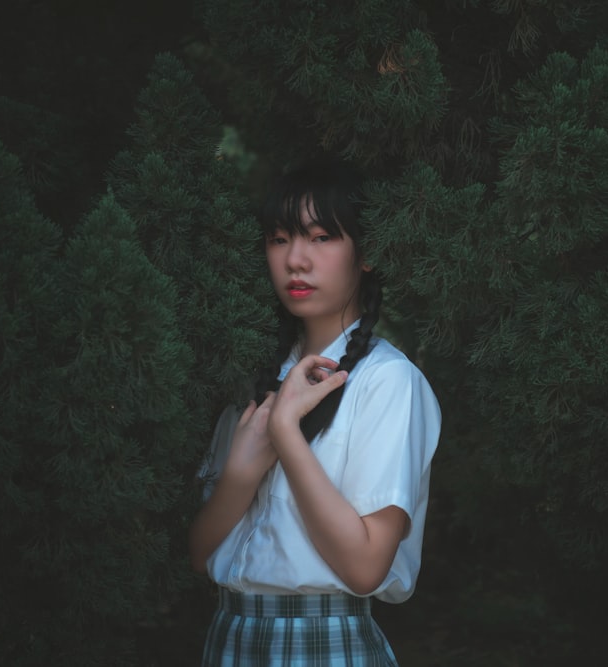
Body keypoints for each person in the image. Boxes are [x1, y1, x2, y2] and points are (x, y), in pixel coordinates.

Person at [189, 157, 441, 666]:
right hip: (231, 638)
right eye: (280, 239)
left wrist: (285, 431)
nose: (295, 260)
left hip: (327, 644)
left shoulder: (388, 381)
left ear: (364, 253)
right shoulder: (253, 377)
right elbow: (199, 554)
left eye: (321, 237)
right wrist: (240, 474)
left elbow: (366, 568)